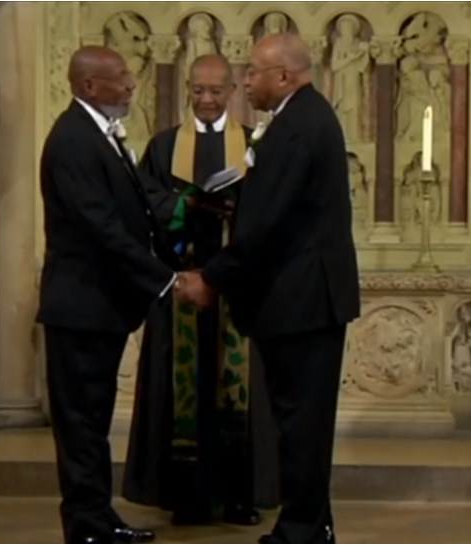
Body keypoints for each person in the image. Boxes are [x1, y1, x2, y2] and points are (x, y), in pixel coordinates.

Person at [175, 34, 361, 544]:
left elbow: (269, 223)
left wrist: (212, 277)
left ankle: (301, 531)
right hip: (303, 298)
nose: (247, 81)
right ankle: (312, 524)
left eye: (254, 72)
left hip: (302, 300)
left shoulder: (298, 126)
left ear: (284, 76)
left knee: (301, 422)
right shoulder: (301, 119)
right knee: (302, 421)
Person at [123, 54, 280, 527]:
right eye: (198, 91)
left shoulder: (253, 145)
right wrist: (184, 206)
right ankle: (186, 496)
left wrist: (238, 209)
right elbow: (144, 202)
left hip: (238, 290)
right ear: (187, 90)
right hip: (184, 284)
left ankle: (239, 496)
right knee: (184, 390)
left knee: (238, 392)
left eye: (215, 91)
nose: (206, 100)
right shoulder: (165, 145)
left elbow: (272, 206)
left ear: (232, 91)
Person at [37, 45, 179, 545]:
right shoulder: (73, 140)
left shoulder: (97, 133)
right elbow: (100, 227)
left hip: (99, 307)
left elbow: (132, 213)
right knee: (80, 424)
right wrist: (165, 279)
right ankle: (86, 526)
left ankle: (97, 517)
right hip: (81, 307)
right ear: (89, 85)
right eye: (120, 77)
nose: (131, 84)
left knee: (93, 421)